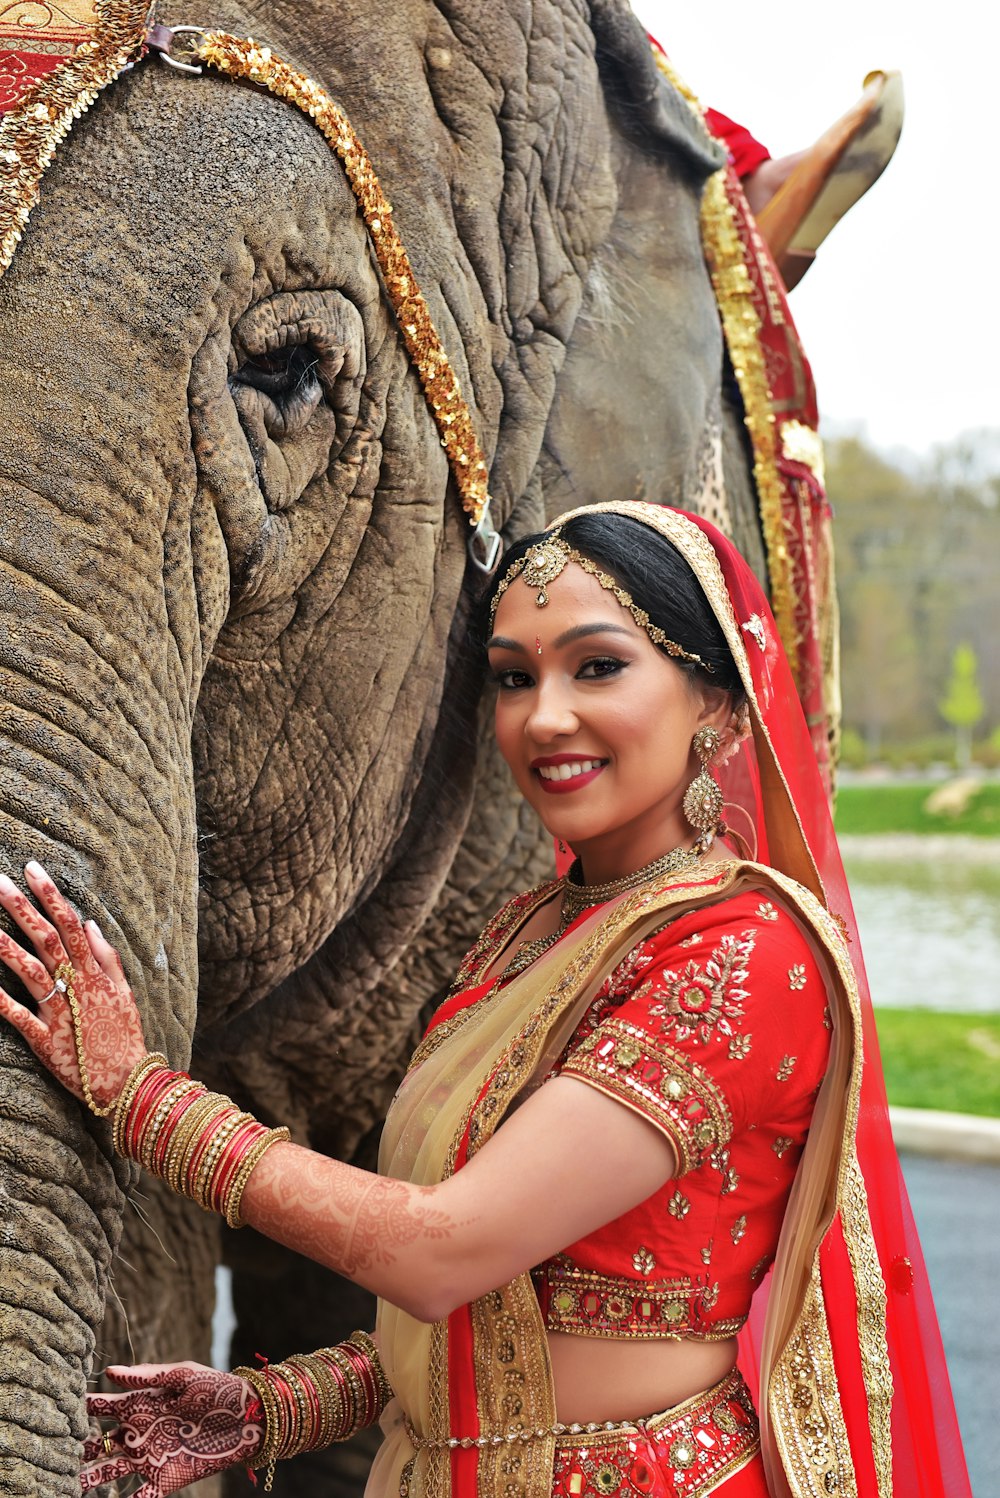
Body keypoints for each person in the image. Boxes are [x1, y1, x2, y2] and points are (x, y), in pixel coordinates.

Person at [0, 503, 969, 1498]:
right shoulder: (530, 935)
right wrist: (272, 1408)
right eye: (514, 676)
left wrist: (136, 1093)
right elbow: (504, 1315)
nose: (544, 716)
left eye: (596, 666)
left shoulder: (745, 952)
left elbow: (442, 1250)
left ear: (715, 701)